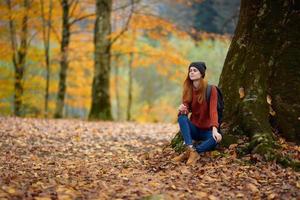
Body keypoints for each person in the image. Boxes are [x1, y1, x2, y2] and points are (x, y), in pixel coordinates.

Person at [172, 61, 222, 165]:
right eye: (190, 70)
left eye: (195, 70)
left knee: (215, 139)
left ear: (201, 74)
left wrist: (215, 130)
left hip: (207, 130)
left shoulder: (211, 89)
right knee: (181, 117)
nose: (191, 72)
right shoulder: (188, 89)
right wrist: (182, 109)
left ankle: (193, 152)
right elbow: (185, 109)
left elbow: (213, 111)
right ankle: (190, 148)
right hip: (194, 128)